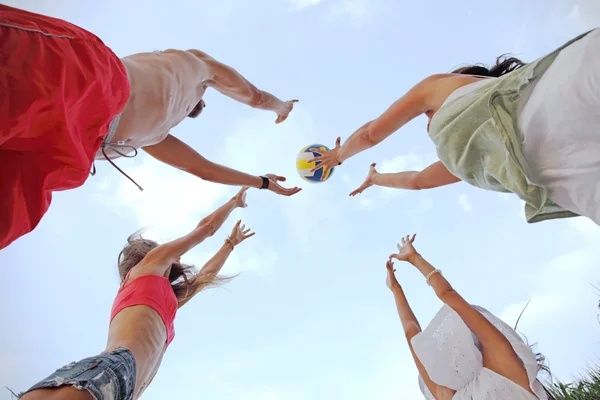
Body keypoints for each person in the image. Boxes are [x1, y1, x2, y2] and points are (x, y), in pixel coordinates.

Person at [0, 4, 300, 250]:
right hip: (93, 83)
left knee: (11, 215)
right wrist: (281, 107)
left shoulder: (155, 137)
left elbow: (203, 169)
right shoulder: (198, 65)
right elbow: (255, 96)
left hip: (71, 149)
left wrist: (260, 182)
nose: (200, 109)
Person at [310, 29, 600, 225]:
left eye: (426, 118)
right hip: (570, 170)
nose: (427, 123)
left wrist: (339, 156)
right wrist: (376, 178)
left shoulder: (443, 85)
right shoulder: (476, 153)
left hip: (564, 105)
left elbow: (370, 134)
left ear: (464, 76)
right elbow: (418, 180)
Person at [16, 187, 254, 400]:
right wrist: (234, 200)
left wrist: (230, 244)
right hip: (115, 366)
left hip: (126, 388)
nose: (177, 256)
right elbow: (206, 228)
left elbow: (205, 276)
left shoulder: (164, 299)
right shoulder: (147, 268)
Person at [385, 234, 553, 399]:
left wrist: (395, 289)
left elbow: (411, 334)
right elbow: (446, 294)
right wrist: (415, 258)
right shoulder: (504, 365)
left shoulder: (449, 396)